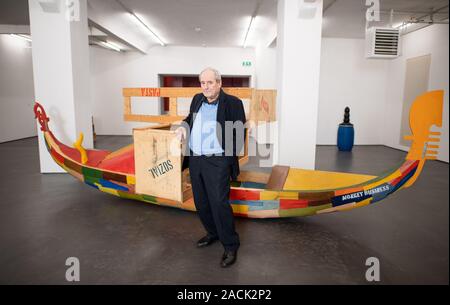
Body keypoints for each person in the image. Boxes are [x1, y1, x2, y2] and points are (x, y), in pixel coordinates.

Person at [176, 67, 246, 268]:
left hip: (217, 161)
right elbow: (190, 118)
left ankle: (231, 244)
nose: (205, 87)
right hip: (196, 159)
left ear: (219, 83)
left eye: (210, 83)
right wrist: (182, 125)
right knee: (201, 202)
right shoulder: (197, 99)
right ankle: (213, 233)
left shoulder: (233, 103)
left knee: (219, 203)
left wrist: (224, 159)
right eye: (203, 83)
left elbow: (238, 136)